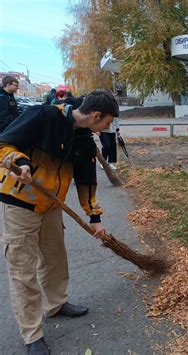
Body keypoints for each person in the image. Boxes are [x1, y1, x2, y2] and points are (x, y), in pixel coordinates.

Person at [0, 90, 119, 354]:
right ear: (96, 115)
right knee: (23, 272)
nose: (107, 128)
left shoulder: (85, 139)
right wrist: (20, 162)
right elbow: (3, 144)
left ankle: (55, 304)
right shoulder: (42, 116)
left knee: (55, 259)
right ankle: (32, 335)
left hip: (51, 206)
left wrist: (95, 217)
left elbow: (87, 182)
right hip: (20, 205)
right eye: (107, 122)